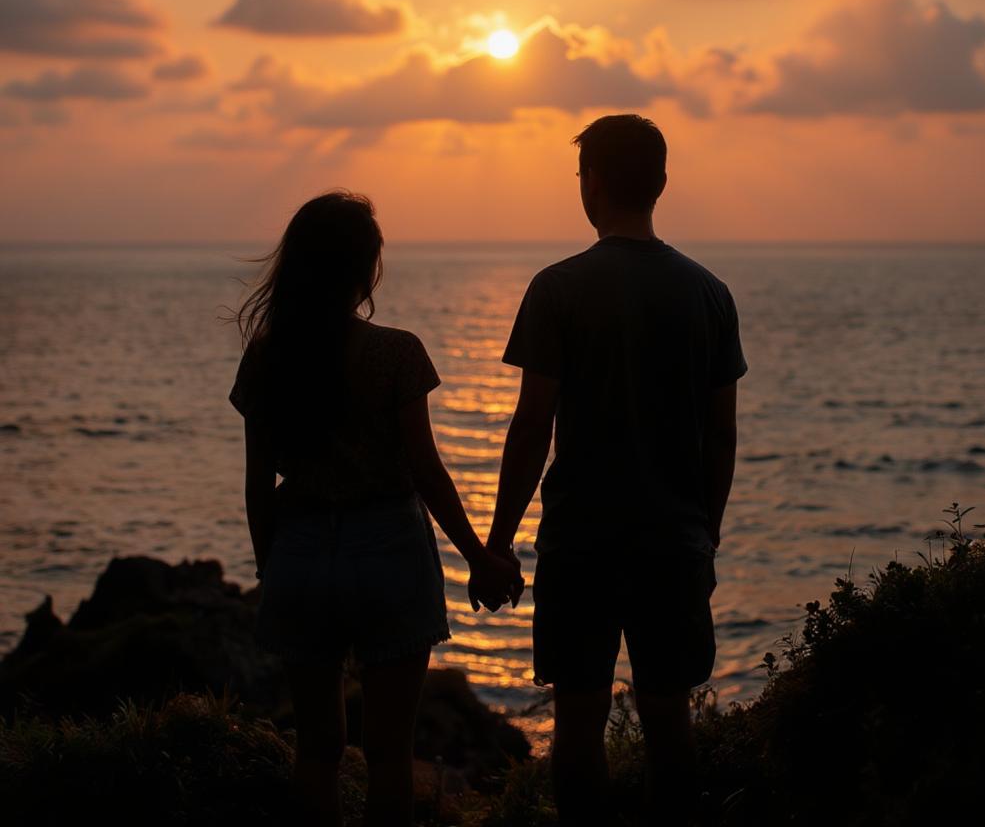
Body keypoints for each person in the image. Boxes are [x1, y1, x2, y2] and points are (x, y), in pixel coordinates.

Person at [477, 114, 748, 826]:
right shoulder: (710, 294)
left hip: (582, 541)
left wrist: (498, 543)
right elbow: (722, 436)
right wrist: (707, 535)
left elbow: (533, 424)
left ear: (590, 183)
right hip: (675, 540)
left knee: (579, 720)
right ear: (660, 183)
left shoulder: (558, 288)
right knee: (669, 720)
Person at [226, 190, 521, 827]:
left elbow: (256, 481)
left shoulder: (268, 357)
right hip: (388, 550)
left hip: (300, 548)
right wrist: (482, 558)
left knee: (317, 749)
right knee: (389, 754)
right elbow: (428, 473)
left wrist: (268, 565)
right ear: (365, 269)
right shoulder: (396, 352)